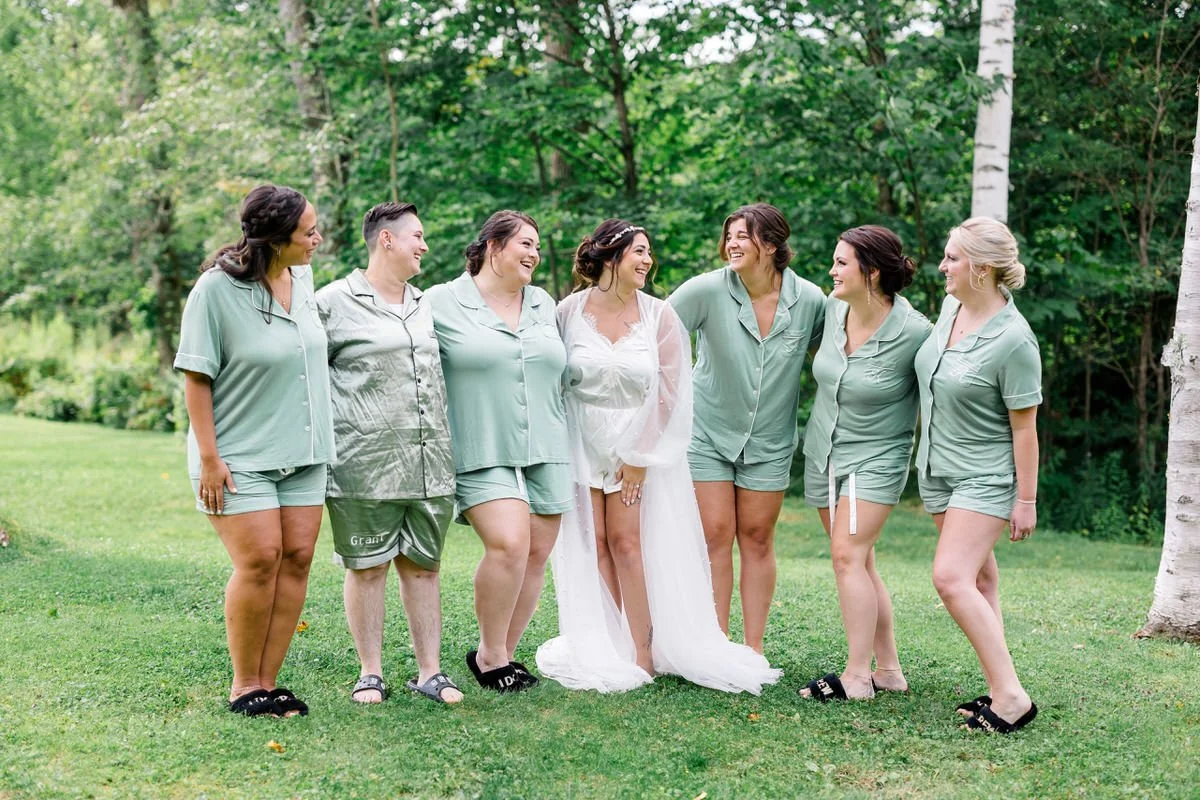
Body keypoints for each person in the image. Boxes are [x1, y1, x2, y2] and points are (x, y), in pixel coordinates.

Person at [536, 220, 781, 694]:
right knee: (595, 543)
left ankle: (645, 653)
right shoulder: (567, 311)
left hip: (637, 442)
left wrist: (639, 455)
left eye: (649, 253)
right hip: (581, 439)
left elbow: (671, 392)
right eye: (639, 252)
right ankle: (609, 646)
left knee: (627, 543)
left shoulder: (659, 316)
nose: (648, 261)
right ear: (611, 256)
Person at [174, 184, 332, 717]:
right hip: (237, 453)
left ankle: (269, 681)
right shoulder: (215, 290)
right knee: (261, 558)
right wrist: (211, 459)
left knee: (298, 558)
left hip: (306, 451)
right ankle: (245, 685)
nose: (317, 239)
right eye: (308, 231)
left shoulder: (305, 280)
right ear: (276, 237)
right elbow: (197, 377)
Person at [316, 202, 463, 705]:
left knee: (424, 567)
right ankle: (370, 672)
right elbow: (308, 378)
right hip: (364, 465)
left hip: (430, 463)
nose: (424, 246)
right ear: (387, 240)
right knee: (368, 567)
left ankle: (430, 672)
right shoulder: (332, 302)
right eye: (418, 236)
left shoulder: (426, 304)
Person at [668, 203, 826, 653]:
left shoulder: (811, 300)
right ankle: (715, 645)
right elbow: (654, 333)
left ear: (771, 245)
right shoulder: (706, 290)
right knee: (714, 535)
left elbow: (833, 353)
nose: (732, 244)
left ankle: (752, 648)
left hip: (771, 441)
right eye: (730, 236)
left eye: (744, 236)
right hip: (706, 434)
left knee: (757, 538)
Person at [425, 211, 571, 693]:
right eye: (525, 244)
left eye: (536, 246)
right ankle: (489, 655)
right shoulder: (441, 302)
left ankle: (504, 655)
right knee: (510, 542)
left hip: (548, 443)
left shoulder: (543, 302)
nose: (533, 253)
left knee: (535, 553)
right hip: (480, 444)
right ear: (493, 247)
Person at [915, 216, 1040, 734]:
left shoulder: (1014, 341)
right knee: (981, 577)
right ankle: (997, 685)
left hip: (984, 477)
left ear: (983, 269)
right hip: (937, 470)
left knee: (950, 577)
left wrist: (1026, 500)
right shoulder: (951, 308)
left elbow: (1025, 430)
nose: (942, 265)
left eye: (952, 258)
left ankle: (1013, 698)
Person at [798, 225, 931, 701]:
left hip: (876, 459)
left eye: (841, 263)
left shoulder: (917, 333)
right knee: (862, 562)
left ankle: (856, 677)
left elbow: (944, 399)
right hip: (823, 454)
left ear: (871, 272)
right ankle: (889, 670)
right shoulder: (834, 311)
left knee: (847, 557)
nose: (831, 271)